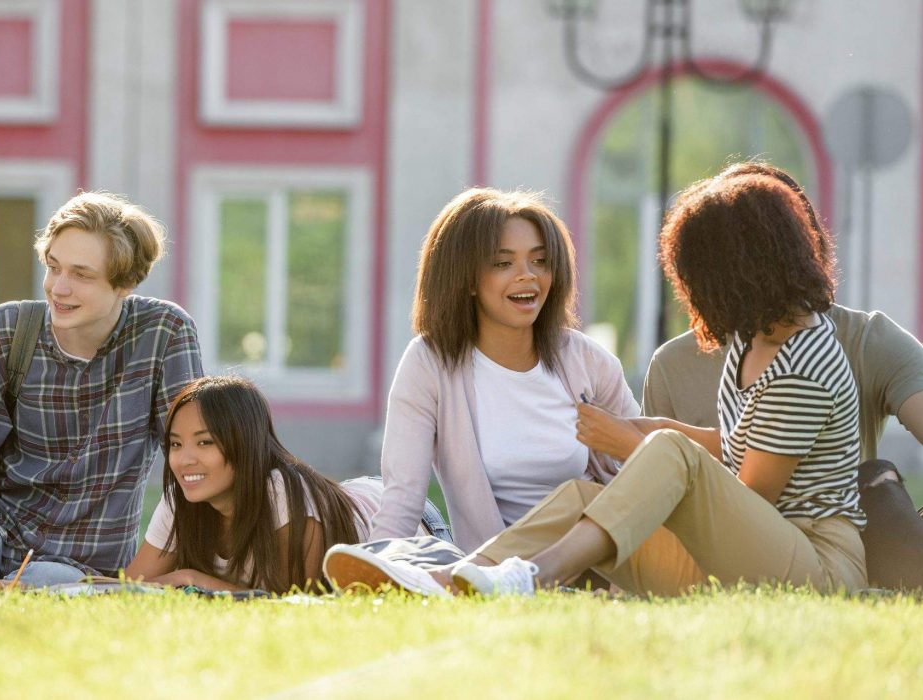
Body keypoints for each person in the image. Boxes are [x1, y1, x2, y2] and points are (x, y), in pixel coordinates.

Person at [355, 170, 867, 597]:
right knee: (585, 493)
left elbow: (749, 502)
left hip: (813, 566)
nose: (689, 290)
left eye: (695, 272)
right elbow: (740, 451)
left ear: (738, 271)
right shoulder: (754, 340)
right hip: (745, 558)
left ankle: (531, 577)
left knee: (665, 451)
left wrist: (635, 440)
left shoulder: (805, 362)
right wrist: (660, 429)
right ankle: (457, 579)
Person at [643, 162, 923, 590]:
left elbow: (750, 493)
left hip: (828, 547)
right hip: (714, 551)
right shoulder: (673, 363)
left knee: (877, 478)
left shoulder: (866, 340)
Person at [0, 191, 203, 589]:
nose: (59, 288)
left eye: (81, 275)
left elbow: (191, 457)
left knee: (45, 592)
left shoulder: (164, 334)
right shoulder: (7, 331)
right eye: (54, 268)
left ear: (125, 283)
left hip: (82, 554)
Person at [366, 188, 639, 551]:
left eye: (540, 261)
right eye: (502, 263)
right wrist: (367, 577)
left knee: (582, 496)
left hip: (595, 559)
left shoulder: (588, 361)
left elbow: (645, 466)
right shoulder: (430, 364)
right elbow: (402, 499)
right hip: (494, 568)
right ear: (466, 279)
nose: (527, 276)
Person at [123, 376, 448, 593]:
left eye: (205, 443)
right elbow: (131, 587)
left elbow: (292, 603)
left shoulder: (281, 493)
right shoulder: (181, 498)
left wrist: (191, 578)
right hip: (351, 495)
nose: (184, 460)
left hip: (411, 529)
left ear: (244, 443)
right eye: (177, 445)